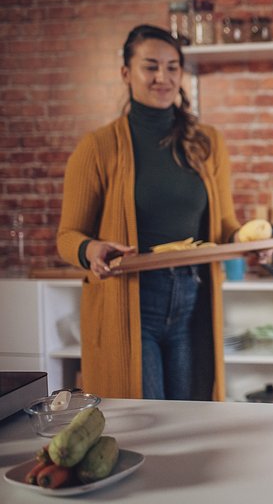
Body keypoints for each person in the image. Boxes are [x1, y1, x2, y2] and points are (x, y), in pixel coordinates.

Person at [57, 24, 243, 401]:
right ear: (126, 73)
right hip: (131, 301)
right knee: (144, 419)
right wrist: (91, 250)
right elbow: (68, 237)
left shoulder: (208, 142)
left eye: (173, 67)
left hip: (193, 297)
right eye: (151, 66)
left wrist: (249, 242)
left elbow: (225, 226)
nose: (163, 77)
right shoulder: (97, 148)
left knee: (191, 416)